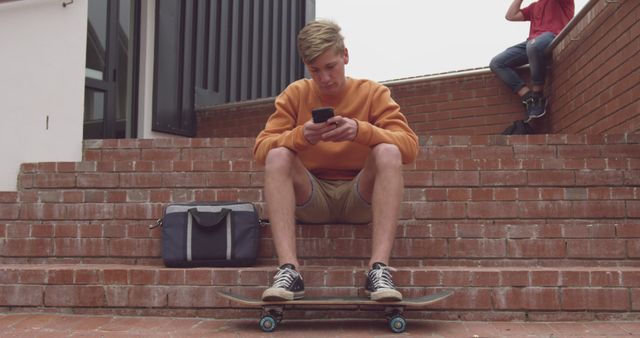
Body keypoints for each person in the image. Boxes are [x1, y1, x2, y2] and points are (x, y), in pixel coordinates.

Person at [253, 20, 419, 302]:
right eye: (315, 70)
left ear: (345, 55)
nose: (325, 78)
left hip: (360, 197)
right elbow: (261, 149)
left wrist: (361, 131)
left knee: (388, 150)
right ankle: (289, 270)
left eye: (331, 66)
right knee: (278, 153)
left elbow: (411, 148)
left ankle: (378, 270)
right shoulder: (295, 94)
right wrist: (299, 136)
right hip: (312, 198)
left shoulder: (372, 93)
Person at [490, 0, 575, 121]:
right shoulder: (535, 6)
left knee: (533, 46)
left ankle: (538, 95)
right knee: (497, 63)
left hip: (553, 36)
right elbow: (510, 16)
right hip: (531, 43)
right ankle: (528, 97)